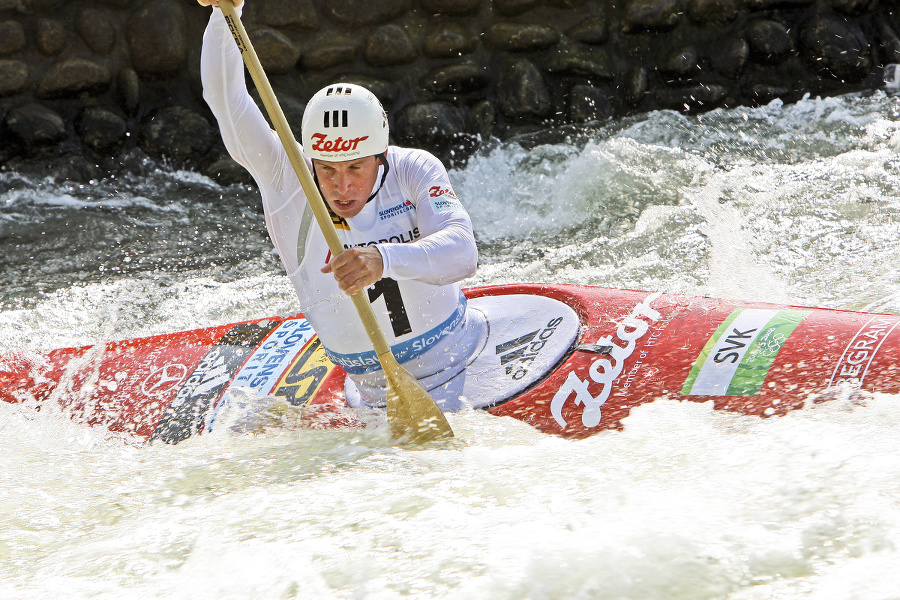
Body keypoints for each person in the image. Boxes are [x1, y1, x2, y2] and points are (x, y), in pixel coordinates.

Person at [198, 0, 482, 410]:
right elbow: (225, 100)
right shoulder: (288, 179)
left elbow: (463, 253)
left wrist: (381, 260)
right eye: (327, 169)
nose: (341, 186)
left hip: (463, 358)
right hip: (368, 392)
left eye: (355, 167)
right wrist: (227, 16)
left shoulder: (414, 169)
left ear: (380, 156)